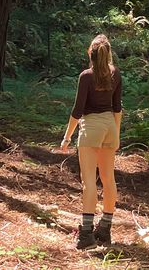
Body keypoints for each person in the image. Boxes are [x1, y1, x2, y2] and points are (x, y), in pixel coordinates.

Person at [60, 34, 122, 249]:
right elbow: (117, 108)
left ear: (90, 53)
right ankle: (104, 230)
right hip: (110, 128)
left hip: (92, 128)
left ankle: (86, 235)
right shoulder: (115, 74)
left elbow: (77, 111)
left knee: (89, 181)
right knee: (108, 179)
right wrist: (117, 134)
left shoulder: (86, 76)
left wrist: (67, 137)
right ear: (108, 53)